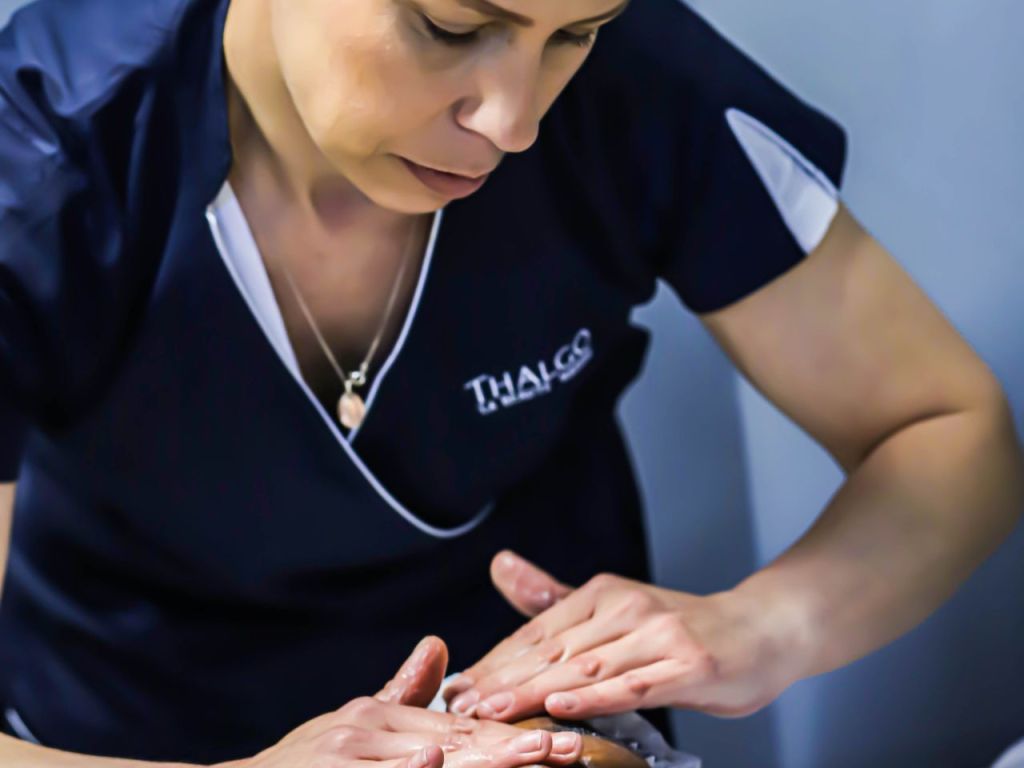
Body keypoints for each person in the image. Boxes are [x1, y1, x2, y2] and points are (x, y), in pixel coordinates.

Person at [0, 0, 1021, 765]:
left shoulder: (639, 85)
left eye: (574, 35)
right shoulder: (43, 157)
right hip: (125, 728)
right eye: (450, 25)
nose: (512, 120)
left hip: (528, 718)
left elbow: (945, 426)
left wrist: (772, 623)